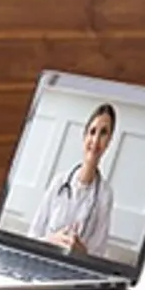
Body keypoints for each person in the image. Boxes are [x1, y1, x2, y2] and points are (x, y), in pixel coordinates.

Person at [27, 103, 117, 258]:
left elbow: (99, 254)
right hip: (44, 258)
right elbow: (32, 236)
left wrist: (81, 251)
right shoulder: (59, 181)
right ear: (84, 136)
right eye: (92, 132)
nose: (95, 140)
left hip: (74, 267)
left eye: (103, 133)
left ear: (109, 141)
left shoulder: (105, 194)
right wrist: (51, 240)